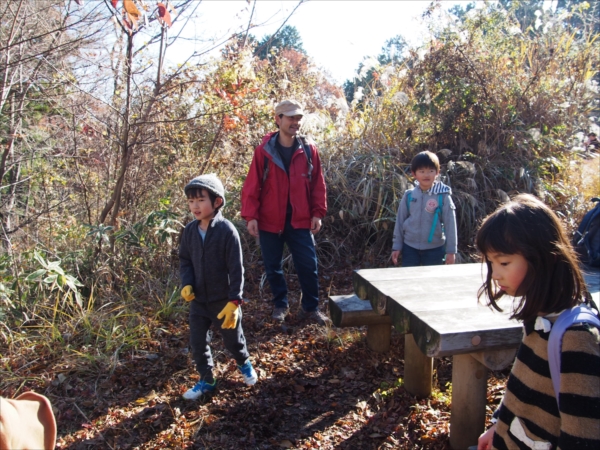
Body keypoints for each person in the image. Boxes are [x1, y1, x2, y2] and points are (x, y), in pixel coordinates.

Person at [475, 194, 600, 450]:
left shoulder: (577, 337)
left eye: (504, 262)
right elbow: (521, 389)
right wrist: (498, 426)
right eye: (491, 262)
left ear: (545, 257)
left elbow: (583, 435)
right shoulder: (540, 318)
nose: (495, 274)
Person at [241, 99, 329, 325]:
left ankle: (310, 308)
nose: (295, 122)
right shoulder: (264, 151)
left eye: (298, 118)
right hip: (270, 220)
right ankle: (280, 305)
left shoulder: (309, 150)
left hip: (300, 220)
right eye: (291, 117)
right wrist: (251, 216)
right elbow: (252, 185)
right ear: (278, 119)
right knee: (273, 267)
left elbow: (318, 183)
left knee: (308, 265)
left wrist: (317, 213)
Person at [179, 174, 257, 400]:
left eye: (201, 200)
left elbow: (236, 268)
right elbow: (184, 260)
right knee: (197, 342)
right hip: (198, 301)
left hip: (224, 300)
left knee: (233, 339)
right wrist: (187, 284)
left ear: (217, 202)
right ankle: (207, 380)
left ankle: (244, 362)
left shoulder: (227, 230)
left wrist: (235, 301)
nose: (195, 205)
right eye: (191, 201)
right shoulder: (190, 231)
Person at [391, 151, 457, 267]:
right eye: (421, 171)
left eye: (431, 171)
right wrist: (396, 246)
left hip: (435, 249)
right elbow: (400, 221)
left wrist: (451, 251)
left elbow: (450, 224)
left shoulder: (443, 196)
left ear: (437, 173)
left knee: (432, 282)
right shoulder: (409, 196)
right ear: (414, 173)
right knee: (410, 280)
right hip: (410, 247)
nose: (426, 175)